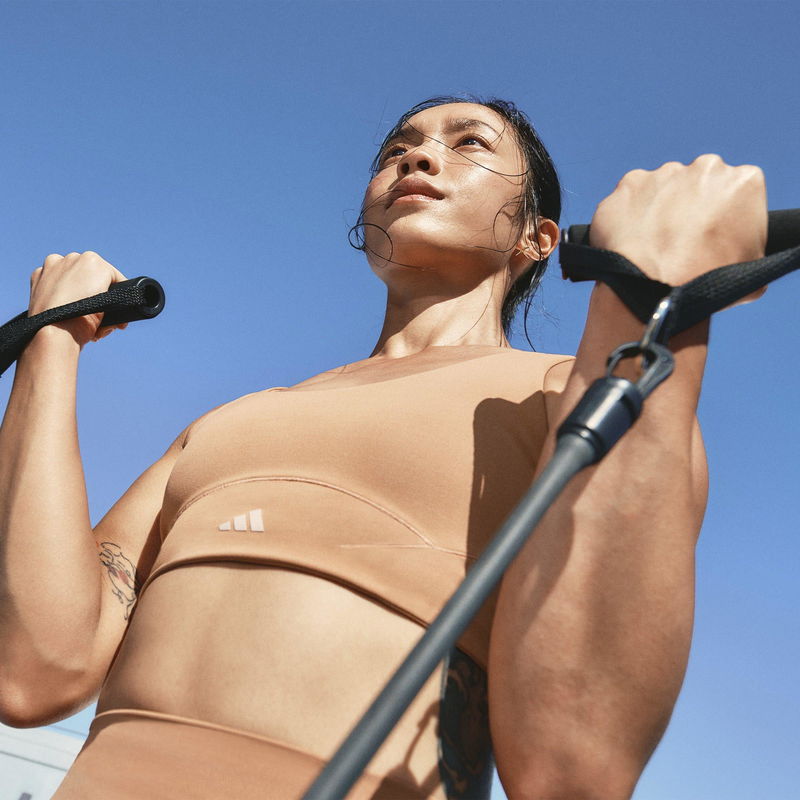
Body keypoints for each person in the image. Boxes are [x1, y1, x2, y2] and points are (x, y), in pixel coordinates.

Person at [0, 96, 766, 800]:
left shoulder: (574, 393)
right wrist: (51, 341)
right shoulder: (226, 424)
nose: (418, 156)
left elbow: (572, 767)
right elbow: (32, 671)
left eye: (470, 143)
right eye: (398, 149)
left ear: (538, 238)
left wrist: (644, 296)